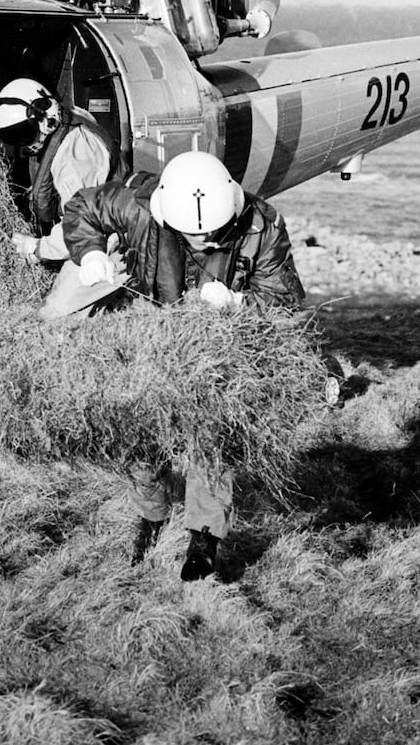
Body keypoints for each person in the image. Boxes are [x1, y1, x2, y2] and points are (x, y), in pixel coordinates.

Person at [45, 149, 305, 580]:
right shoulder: (139, 205)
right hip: (149, 334)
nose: (204, 242)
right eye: (193, 234)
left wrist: (241, 304)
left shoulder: (262, 224)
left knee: (213, 434)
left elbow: (284, 299)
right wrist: (89, 253)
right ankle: (152, 515)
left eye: (214, 234)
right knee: (139, 436)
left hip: (217, 346)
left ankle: (204, 537)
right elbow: (82, 208)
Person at [0, 76, 126, 265]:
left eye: (25, 134)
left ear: (47, 116)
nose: (25, 143)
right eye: (17, 137)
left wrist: (36, 249)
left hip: (107, 242)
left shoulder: (72, 159)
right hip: (99, 224)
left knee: (60, 295)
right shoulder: (71, 117)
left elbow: (82, 226)